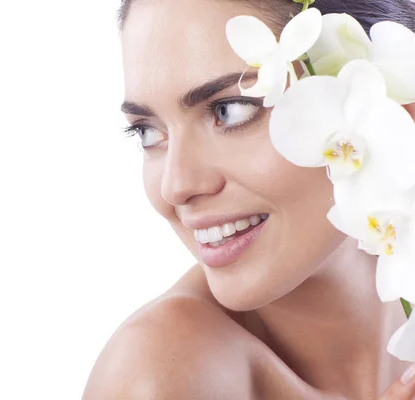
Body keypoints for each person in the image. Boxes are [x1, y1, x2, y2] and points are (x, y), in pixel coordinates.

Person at [82, 0, 415, 399]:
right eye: (147, 132)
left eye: (229, 110)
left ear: (398, 106)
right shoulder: (163, 370)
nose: (175, 185)